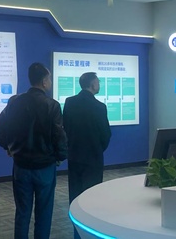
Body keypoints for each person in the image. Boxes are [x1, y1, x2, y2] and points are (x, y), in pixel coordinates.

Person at [0, 62, 67, 239]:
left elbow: (0, 128)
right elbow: (58, 135)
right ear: (44, 81)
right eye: (49, 79)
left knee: (22, 212)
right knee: (44, 213)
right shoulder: (52, 105)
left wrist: (8, 146)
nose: (50, 82)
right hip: (45, 167)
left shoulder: (14, 102)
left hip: (21, 166)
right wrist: (60, 156)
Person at [62, 72, 111, 239]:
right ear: (92, 84)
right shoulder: (99, 107)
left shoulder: (69, 102)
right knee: (92, 199)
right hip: (93, 158)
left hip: (74, 157)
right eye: (98, 82)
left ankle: (77, 234)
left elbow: (65, 128)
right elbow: (106, 135)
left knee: (75, 198)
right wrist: (97, 149)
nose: (99, 84)